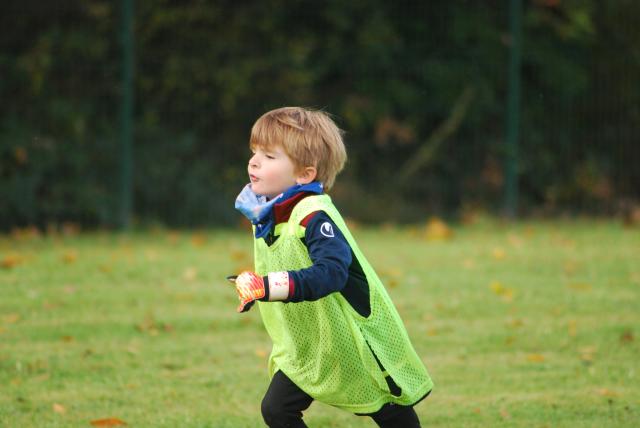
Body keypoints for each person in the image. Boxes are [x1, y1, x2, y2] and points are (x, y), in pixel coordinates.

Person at [231, 107, 433, 428]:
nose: (254, 162)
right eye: (254, 152)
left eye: (269, 156)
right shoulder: (270, 214)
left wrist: (269, 286)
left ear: (305, 175)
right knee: (277, 409)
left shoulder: (313, 214)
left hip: (352, 340)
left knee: (389, 410)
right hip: (311, 344)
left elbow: (332, 274)